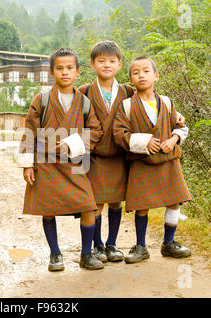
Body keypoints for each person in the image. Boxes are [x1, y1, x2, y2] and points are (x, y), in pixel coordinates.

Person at [79, 41, 186, 263]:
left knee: (116, 202)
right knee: (97, 203)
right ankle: (98, 246)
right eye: (101, 61)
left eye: (111, 61)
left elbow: (172, 120)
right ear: (92, 64)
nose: (106, 65)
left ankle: (112, 244)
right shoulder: (85, 92)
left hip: (120, 157)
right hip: (97, 156)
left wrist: (176, 129)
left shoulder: (128, 92)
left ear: (118, 64)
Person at [17, 48, 104, 271]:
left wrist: (72, 143)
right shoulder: (42, 100)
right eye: (59, 68)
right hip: (46, 163)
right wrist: (28, 164)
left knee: (87, 206)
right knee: (48, 208)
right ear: (51, 72)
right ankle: (55, 254)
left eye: (69, 68)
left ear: (77, 72)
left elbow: (96, 131)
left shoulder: (84, 102)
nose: (64, 72)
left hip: (75, 162)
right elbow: (29, 131)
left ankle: (86, 254)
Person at [113, 56, 192, 264]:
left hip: (168, 160)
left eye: (146, 71)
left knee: (174, 201)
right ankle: (141, 247)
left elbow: (180, 126)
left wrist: (173, 140)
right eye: (136, 72)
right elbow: (119, 134)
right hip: (141, 162)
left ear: (156, 75)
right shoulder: (127, 105)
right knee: (142, 205)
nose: (141, 75)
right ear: (130, 79)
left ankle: (168, 243)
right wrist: (144, 142)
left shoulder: (166, 102)